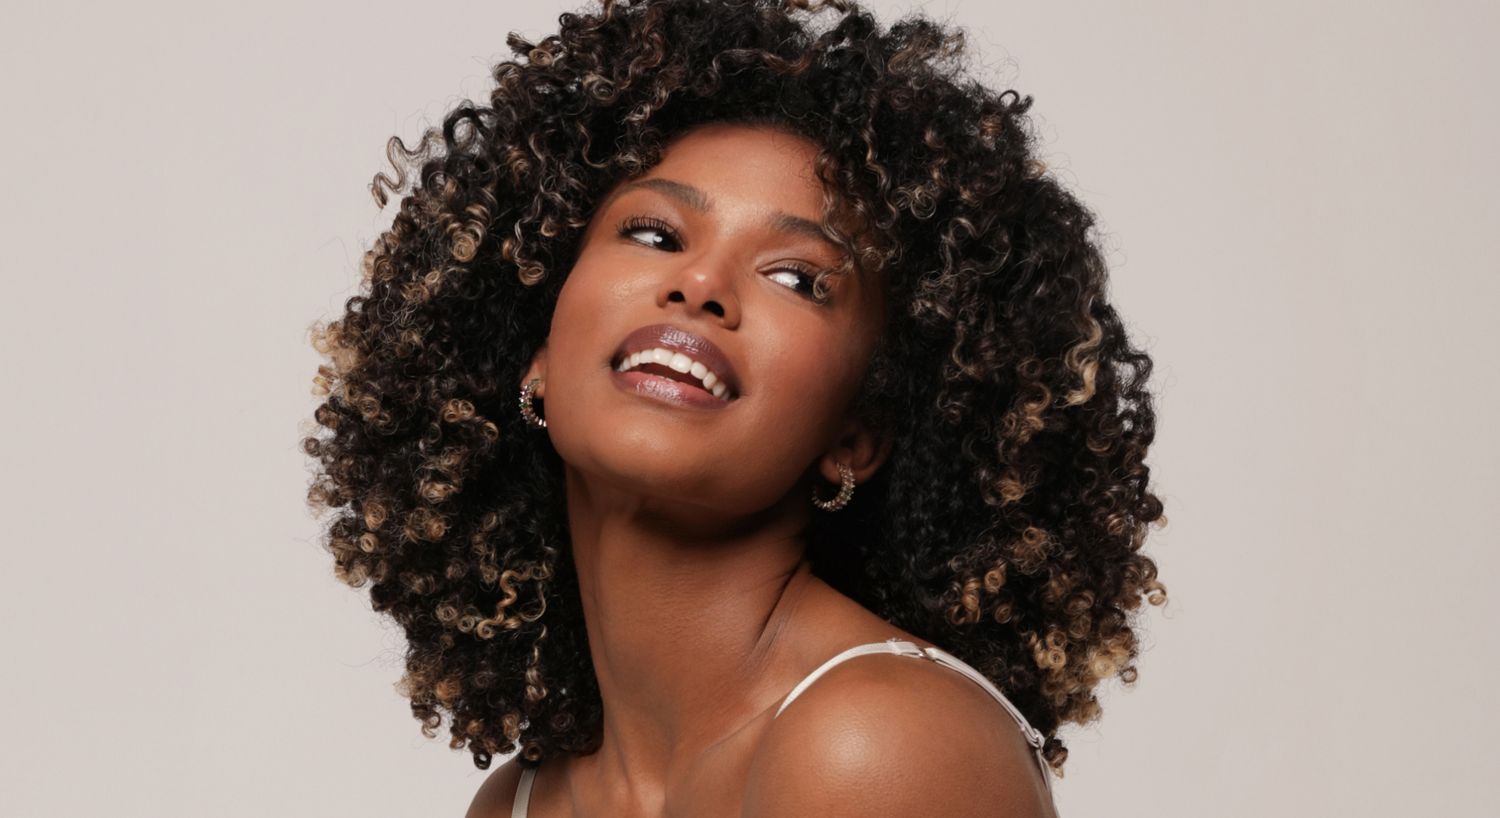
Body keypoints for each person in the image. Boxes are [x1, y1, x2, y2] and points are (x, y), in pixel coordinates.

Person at [302, 0, 1168, 815]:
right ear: (537, 355)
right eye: (654, 235)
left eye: (797, 279)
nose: (701, 286)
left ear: (853, 438)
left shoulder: (874, 747)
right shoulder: (521, 804)